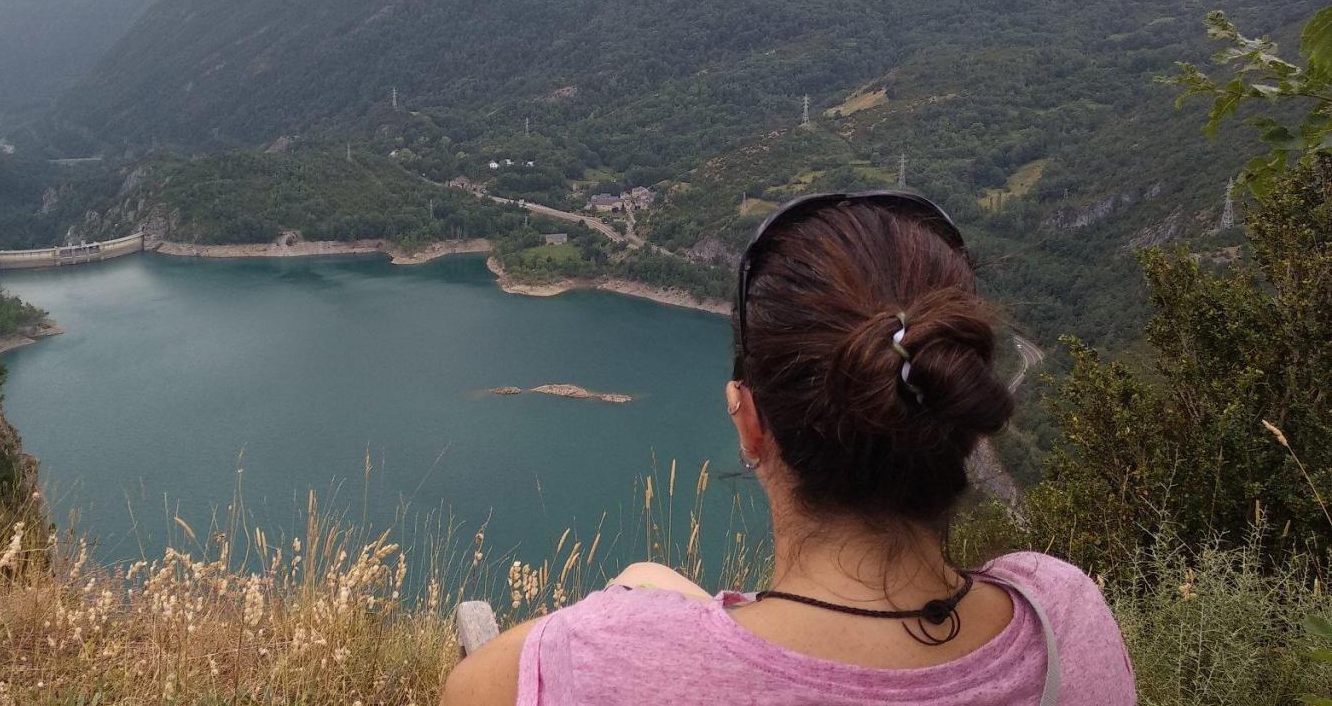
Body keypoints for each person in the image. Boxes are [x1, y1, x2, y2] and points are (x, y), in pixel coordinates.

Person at [443, 192, 1135, 706]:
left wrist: (632, 614)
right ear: (960, 412)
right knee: (652, 572)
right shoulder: (1062, 615)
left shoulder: (606, 663)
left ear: (750, 424)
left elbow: (467, 689)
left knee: (645, 575)